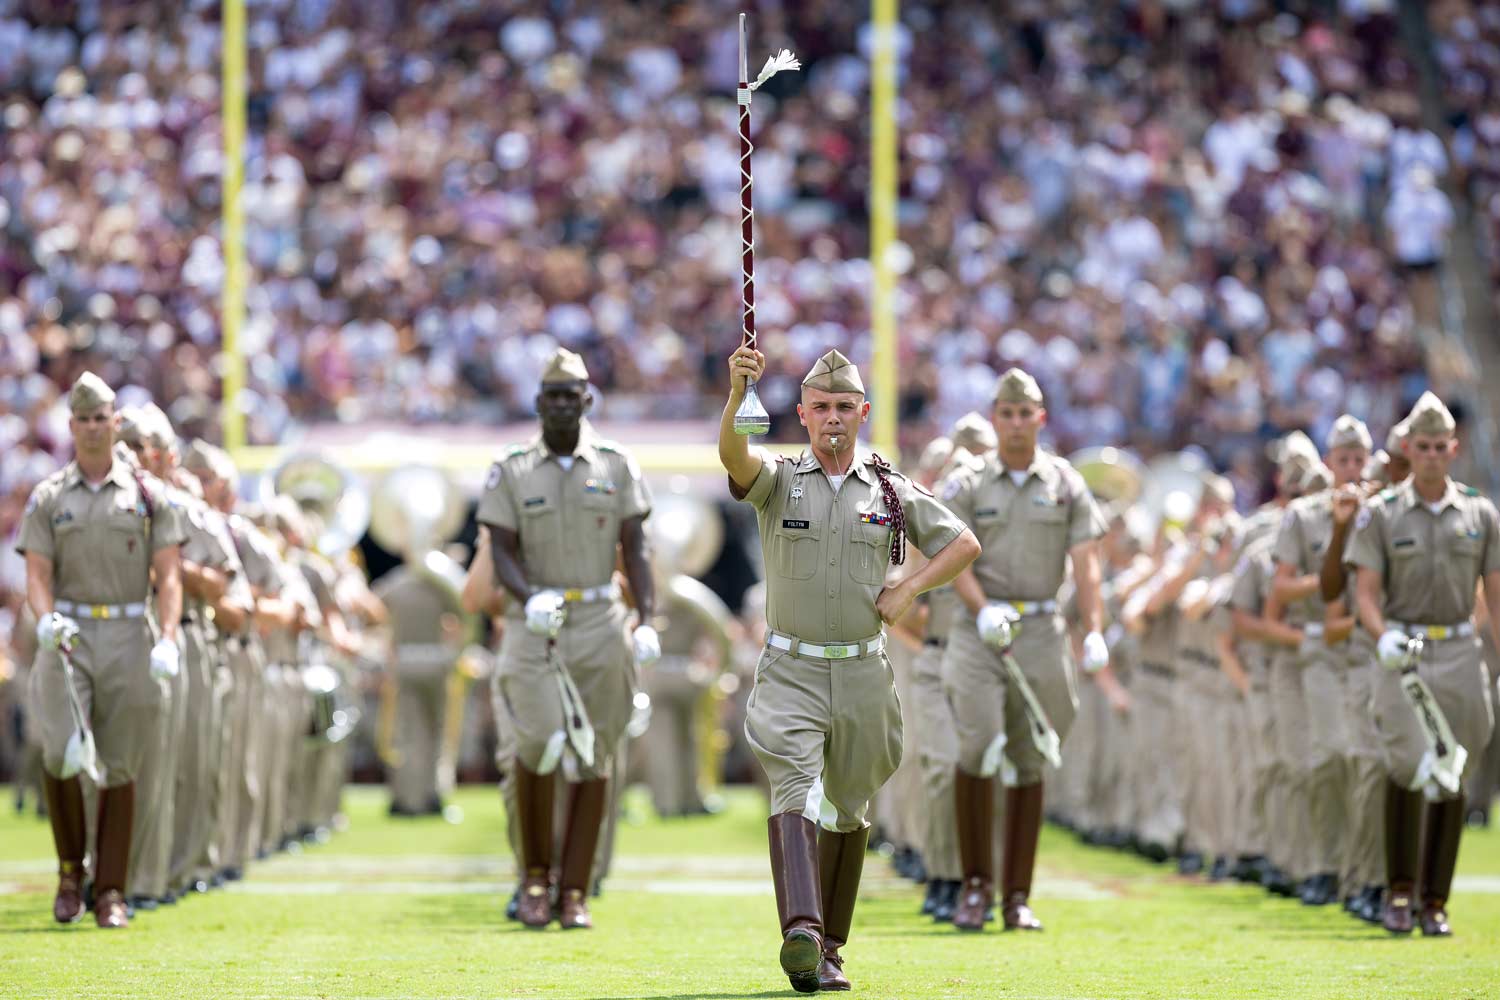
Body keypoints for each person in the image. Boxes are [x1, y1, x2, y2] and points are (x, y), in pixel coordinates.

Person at [719, 345, 979, 992]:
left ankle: (830, 947)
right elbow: (734, 458)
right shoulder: (781, 480)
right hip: (791, 668)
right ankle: (801, 930)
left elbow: (963, 543)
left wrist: (910, 587)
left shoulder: (890, 489)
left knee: (848, 809)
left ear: (862, 413)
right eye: (821, 408)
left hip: (863, 672)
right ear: (802, 414)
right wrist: (735, 396)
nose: (833, 418)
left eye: (844, 408)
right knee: (795, 790)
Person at [478, 347, 657, 931]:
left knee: (595, 755)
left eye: (571, 393)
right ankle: (534, 877)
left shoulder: (615, 464)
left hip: (600, 617)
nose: (561, 404)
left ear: (587, 399)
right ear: (537, 403)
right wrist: (527, 596)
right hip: (536, 621)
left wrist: (647, 618)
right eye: (551, 395)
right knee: (537, 743)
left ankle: (574, 890)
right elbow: (500, 547)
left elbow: (637, 548)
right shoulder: (512, 468)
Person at [942, 368, 1110, 932]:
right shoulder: (968, 482)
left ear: (1041, 418)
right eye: (1006, 414)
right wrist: (980, 605)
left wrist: (1094, 629)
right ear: (995, 419)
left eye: (1026, 413)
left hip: (1039, 628)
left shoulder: (1064, 482)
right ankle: (973, 887)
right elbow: (948, 550)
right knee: (979, 743)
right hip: (978, 627)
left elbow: (1086, 561)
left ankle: (1017, 897)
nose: (1016, 423)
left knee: (1032, 754)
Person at [17, 372, 186, 928]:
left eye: (101, 418)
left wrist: (169, 636)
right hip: (68, 632)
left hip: (128, 631)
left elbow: (168, 574)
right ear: (71, 426)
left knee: (121, 763)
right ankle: (71, 870)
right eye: (83, 419)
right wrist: (46, 619)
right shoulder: (49, 496)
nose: (92, 428)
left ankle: (110, 889)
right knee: (59, 751)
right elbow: (37, 572)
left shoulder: (147, 495)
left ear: (115, 424)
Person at [1349, 391, 1500, 937]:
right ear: (1408, 449)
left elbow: (1496, 595)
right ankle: (1398, 891)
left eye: (1441, 446)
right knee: (1408, 765)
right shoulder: (1382, 514)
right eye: (1424, 446)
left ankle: (1435, 901)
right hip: (1404, 650)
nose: (1433, 454)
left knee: (1454, 772)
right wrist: (1382, 634)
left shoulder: (1480, 513)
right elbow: (1365, 591)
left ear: (1454, 449)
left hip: (1460, 649)